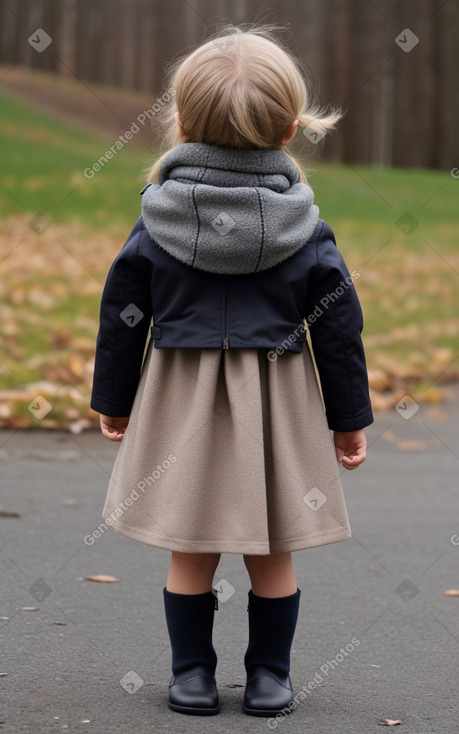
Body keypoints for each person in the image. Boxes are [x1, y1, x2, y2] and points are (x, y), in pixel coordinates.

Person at [91, 25, 373, 718]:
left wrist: (115, 401)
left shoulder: (155, 218)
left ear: (181, 122)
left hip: (178, 397)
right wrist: (347, 420)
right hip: (275, 402)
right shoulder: (305, 226)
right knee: (271, 551)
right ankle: (269, 679)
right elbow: (336, 331)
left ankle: (191, 676)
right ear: (288, 129)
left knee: (190, 547)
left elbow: (124, 314)